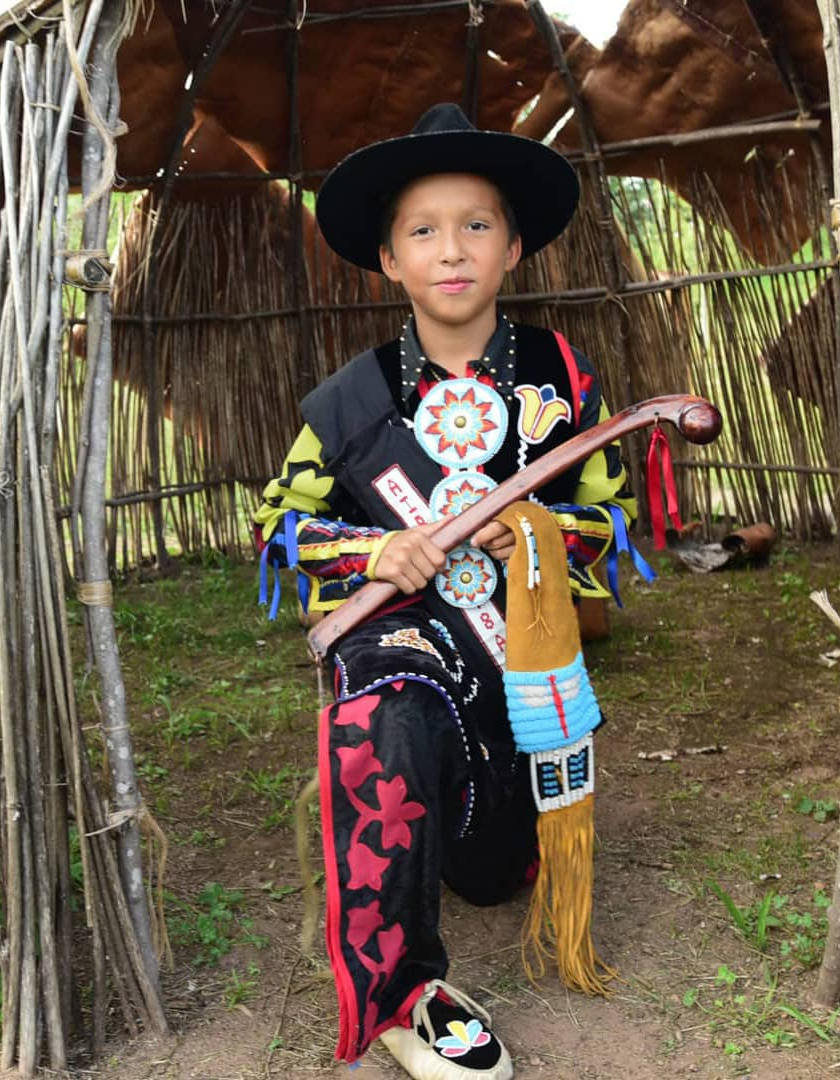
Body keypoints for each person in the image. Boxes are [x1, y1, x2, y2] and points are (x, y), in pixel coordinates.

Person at [253, 103, 648, 1080]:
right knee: (384, 711)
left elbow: (614, 518)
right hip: (403, 637)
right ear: (388, 260)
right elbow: (278, 530)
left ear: (514, 247)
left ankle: (484, 829)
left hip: (519, 654)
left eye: (476, 225)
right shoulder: (351, 402)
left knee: (497, 873)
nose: (452, 249)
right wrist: (375, 553)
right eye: (423, 230)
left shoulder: (564, 382)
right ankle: (403, 992)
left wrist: (543, 534)